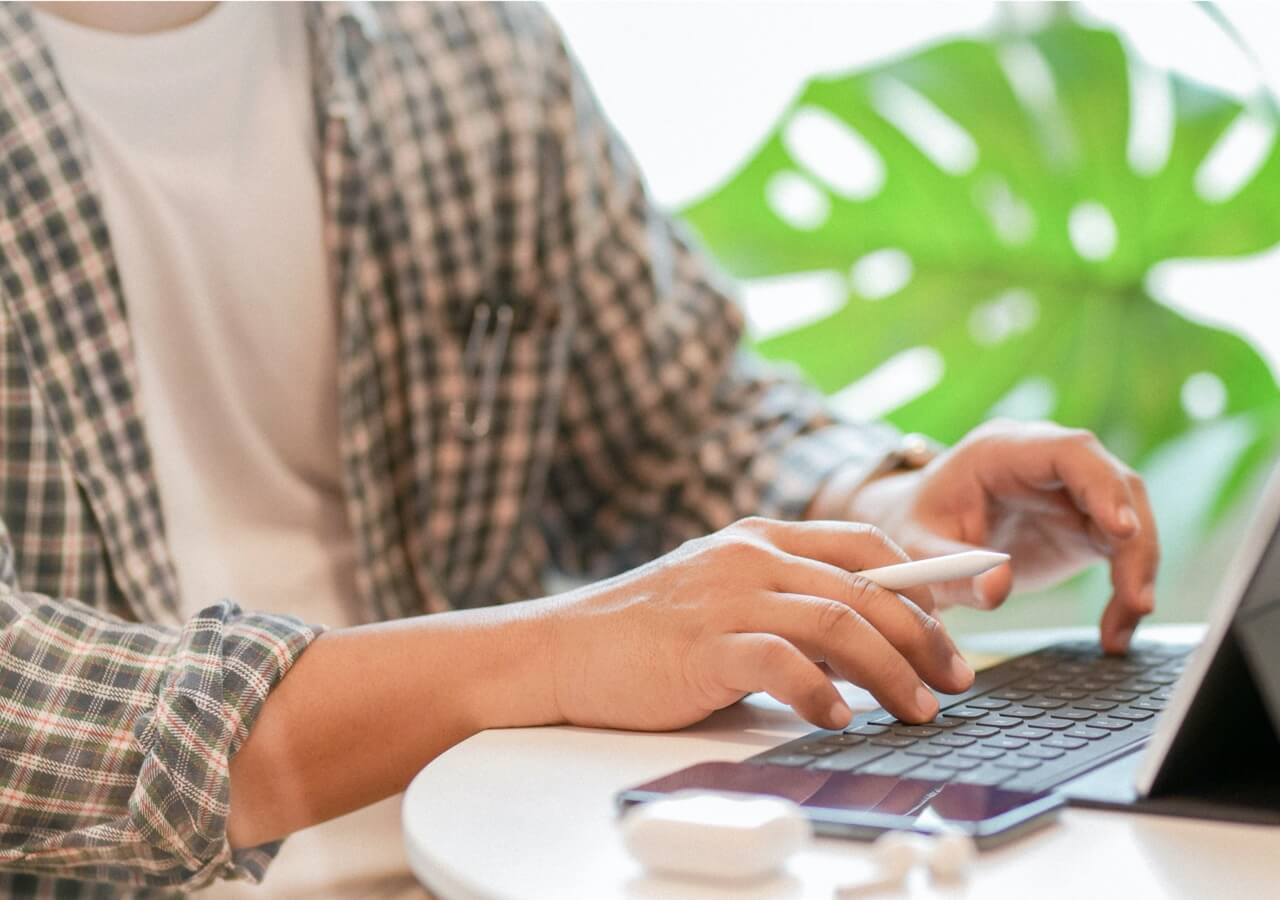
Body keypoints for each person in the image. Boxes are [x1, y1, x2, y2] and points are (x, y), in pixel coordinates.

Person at [0, 2, 1158, 897]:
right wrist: (549, 655)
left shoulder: (462, 39)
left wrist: (886, 515)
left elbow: (672, 425)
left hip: (519, 866)